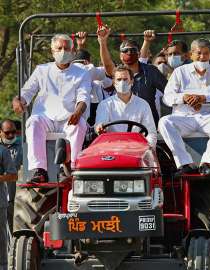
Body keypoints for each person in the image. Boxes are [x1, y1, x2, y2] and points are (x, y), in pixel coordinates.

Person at [12, 34, 91, 183]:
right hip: (45, 117)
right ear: (52, 51)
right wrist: (18, 100)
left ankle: (73, 169)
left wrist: (78, 112)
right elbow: (27, 91)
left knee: (79, 124)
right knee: (32, 122)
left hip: (70, 117)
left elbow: (84, 97)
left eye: (66, 48)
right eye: (59, 48)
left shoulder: (82, 73)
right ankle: (39, 170)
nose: (63, 51)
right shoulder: (42, 70)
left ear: (73, 51)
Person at [158, 38, 210, 175]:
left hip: (208, 118)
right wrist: (184, 98)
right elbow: (167, 97)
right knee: (164, 122)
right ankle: (185, 163)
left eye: (206, 53)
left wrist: (205, 98)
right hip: (184, 118)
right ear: (191, 55)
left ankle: (207, 162)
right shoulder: (180, 72)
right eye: (199, 53)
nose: (202, 57)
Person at [97, 26, 167, 125]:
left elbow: (168, 90)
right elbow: (107, 64)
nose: (129, 53)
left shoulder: (151, 71)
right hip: (120, 124)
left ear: (139, 54)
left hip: (147, 123)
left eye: (133, 50)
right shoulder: (117, 72)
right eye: (125, 51)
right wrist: (102, 42)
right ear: (120, 55)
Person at [95, 66, 157, 148]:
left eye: (125, 79)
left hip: (136, 148)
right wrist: (99, 127)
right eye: (119, 79)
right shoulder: (105, 104)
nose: (122, 82)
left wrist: (146, 148)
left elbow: (151, 132)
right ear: (113, 82)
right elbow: (100, 124)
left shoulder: (143, 104)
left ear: (132, 81)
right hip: (112, 148)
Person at [0, 119, 22, 233]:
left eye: (13, 132)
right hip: (2, 192)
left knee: (12, 225)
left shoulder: (21, 146)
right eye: (7, 132)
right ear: (0, 132)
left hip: (15, 194)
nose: (11, 135)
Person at [0, 144, 17, 270]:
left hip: (0, 202)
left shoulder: (3, 151)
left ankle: (3, 266)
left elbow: (13, 175)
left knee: (1, 236)